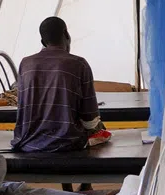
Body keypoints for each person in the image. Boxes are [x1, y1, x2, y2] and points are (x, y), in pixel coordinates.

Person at [13, 17, 107, 153]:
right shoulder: (79, 64)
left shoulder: (25, 64)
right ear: (67, 35)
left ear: (43, 42)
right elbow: (89, 120)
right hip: (67, 144)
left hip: (28, 144)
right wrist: (100, 127)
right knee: (100, 130)